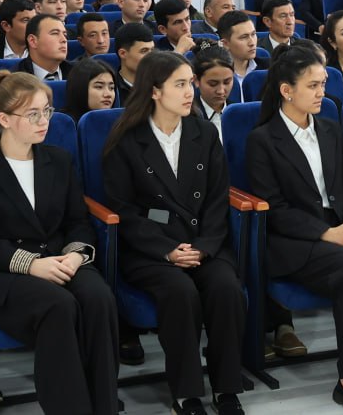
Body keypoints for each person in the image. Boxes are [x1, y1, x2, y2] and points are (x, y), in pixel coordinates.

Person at [245, 46, 343, 415]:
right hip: (295, 240)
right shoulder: (263, 140)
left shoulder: (330, 129)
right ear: (287, 90)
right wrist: (326, 233)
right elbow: (275, 209)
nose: (322, 92)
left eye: (323, 84)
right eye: (313, 86)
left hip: (340, 225)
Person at [0, 71, 120, 412]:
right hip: (5, 274)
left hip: (59, 258)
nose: (44, 121)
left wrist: (75, 257)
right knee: (58, 305)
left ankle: (103, 405)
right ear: (4, 119)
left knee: (98, 296)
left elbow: (78, 222)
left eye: (47, 111)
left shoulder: (58, 160)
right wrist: (31, 264)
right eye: (32, 114)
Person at [100, 52, 247, 415]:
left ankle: (227, 386)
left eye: (189, 83)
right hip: (151, 250)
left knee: (226, 289)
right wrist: (167, 250)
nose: (189, 92)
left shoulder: (204, 132)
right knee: (180, 293)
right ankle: (186, 393)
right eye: (179, 84)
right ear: (154, 91)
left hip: (203, 243)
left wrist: (204, 247)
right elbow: (124, 210)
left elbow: (217, 199)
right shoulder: (126, 140)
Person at [191, 46, 235, 135]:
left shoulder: (239, 113)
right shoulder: (188, 116)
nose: (221, 91)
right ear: (196, 80)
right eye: (213, 84)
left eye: (227, 82)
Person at [19, 13, 73, 81]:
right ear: (32, 41)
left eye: (65, 35)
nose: (64, 40)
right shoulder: (13, 80)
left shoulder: (80, 75)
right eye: (55, 33)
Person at [63, 58, 119, 122]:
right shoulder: (65, 123)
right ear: (80, 89)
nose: (108, 94)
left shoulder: (118, 121)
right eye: (99, 87)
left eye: (111, 88)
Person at [216, 11, 266, 80]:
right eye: (244, 37)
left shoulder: (269, 68)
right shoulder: (215, 74)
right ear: (225, 44)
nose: (252, 43)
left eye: (253, 34)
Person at [114, 23, 156, 103]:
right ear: (123, 53)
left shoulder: (161, 84)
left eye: (152, 50)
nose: (151, 57)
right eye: (144, 51)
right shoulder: (111, 90)